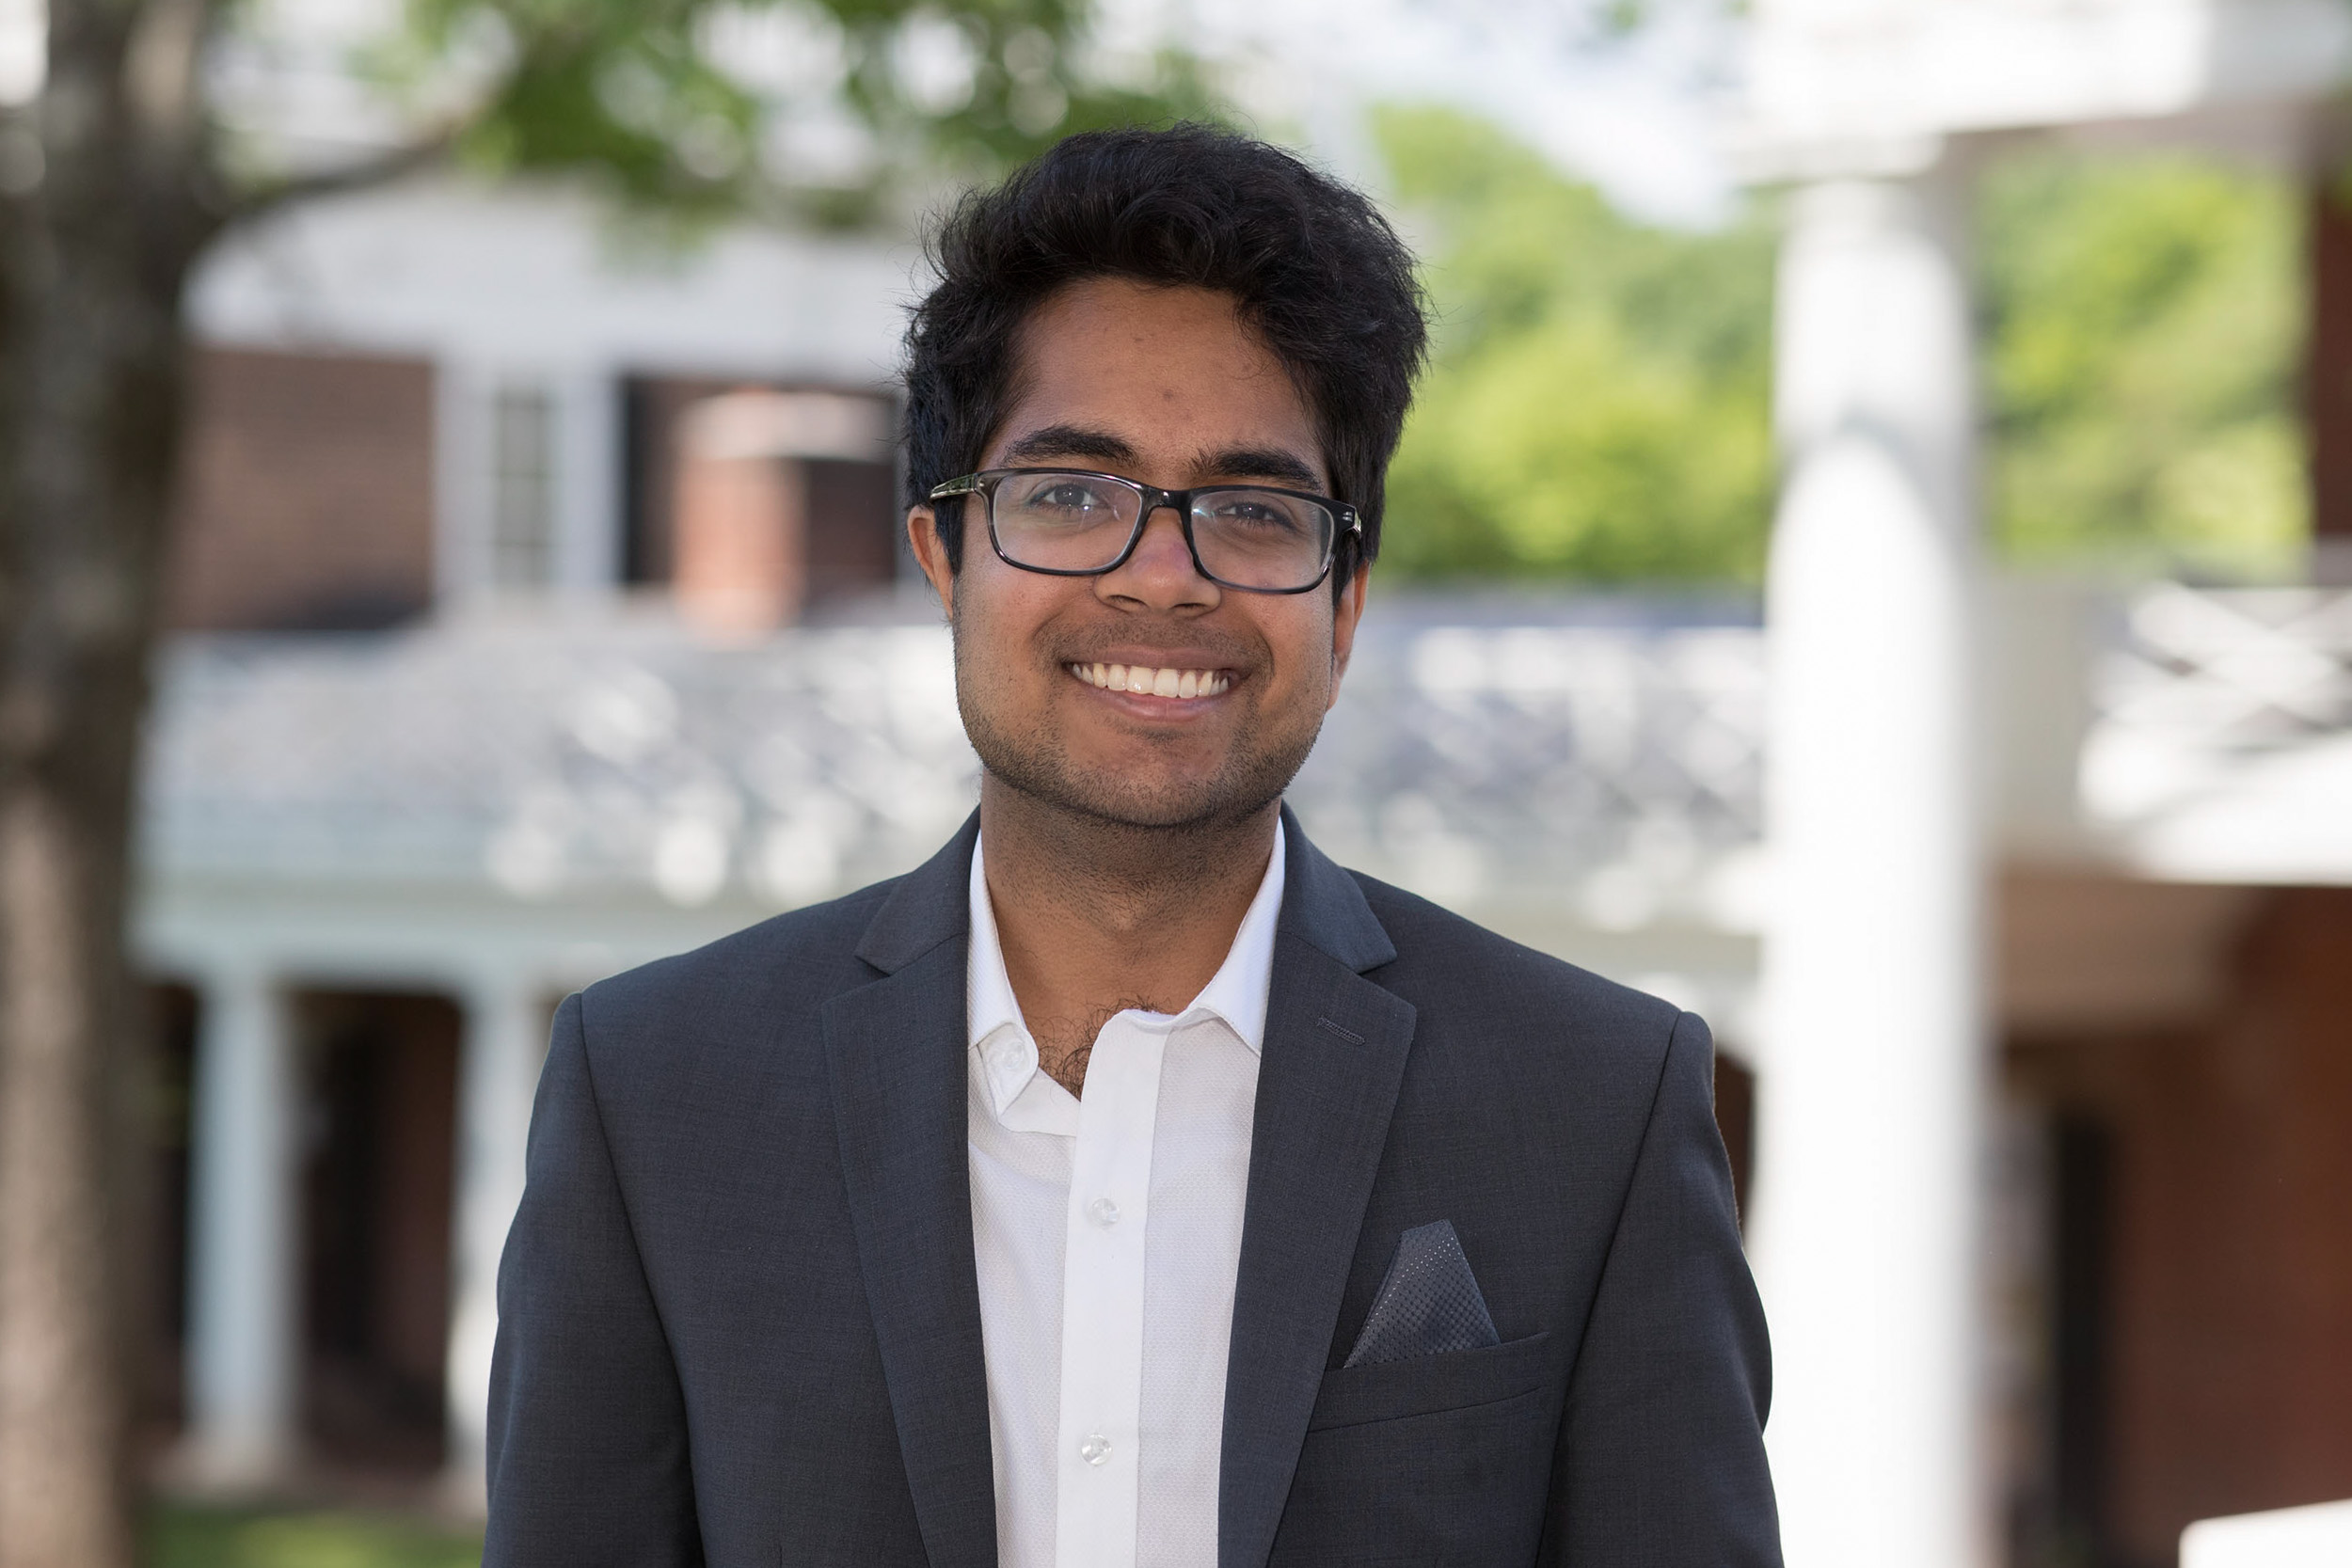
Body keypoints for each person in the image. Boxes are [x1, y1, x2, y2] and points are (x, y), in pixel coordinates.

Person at [485, 124, 1779, 1568]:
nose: (1162, 577)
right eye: (1071, 494)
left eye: (1252, 508)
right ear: (944, 562)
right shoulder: (658, 1096)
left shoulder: (1595, 1105)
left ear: (1343, 608)